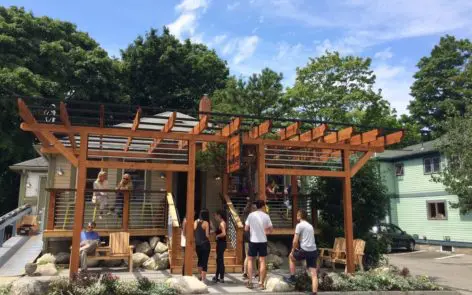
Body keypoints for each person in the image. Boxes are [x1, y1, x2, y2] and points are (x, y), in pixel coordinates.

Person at [285, 209, 318, 295]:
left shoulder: (299, 225)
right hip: (313, 250)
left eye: (297, 215)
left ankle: (292, 277)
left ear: (299, 216)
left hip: (305, 250)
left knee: (291, 257)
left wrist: (292, 251)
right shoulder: (310, 226)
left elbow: (295, 241)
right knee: (313, 272)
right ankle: (314, 292)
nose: (296, 216)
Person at [245, 200, 273, 289]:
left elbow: (246, 228)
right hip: (263, 240)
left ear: (256, 206)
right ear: (263, 206)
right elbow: (271, 229)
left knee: (250, 260)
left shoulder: (251, 215)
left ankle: (250, 282)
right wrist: (265, 232)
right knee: (262, 261)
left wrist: (253, 230)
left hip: (253, 240)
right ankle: (261, 283)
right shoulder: (266, 216)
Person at [194, 209, 211, 282]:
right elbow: (207, 235)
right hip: (205, 244)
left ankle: (200, 276)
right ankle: (204, 279)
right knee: (205, 261)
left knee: (200, 260)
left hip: (197, 245)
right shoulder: (206, 223)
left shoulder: (195, 222)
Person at [213, 209, 227, 283]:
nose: (215, 217)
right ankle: (217, 276)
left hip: (221, 243)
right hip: (221, 243)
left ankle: (221, 277)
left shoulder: (222, 223)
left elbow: (224, 233)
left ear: (219, 215)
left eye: (215, 215)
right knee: (219, 260)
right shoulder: (222, 223)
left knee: (220, 260)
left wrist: (217, 236)